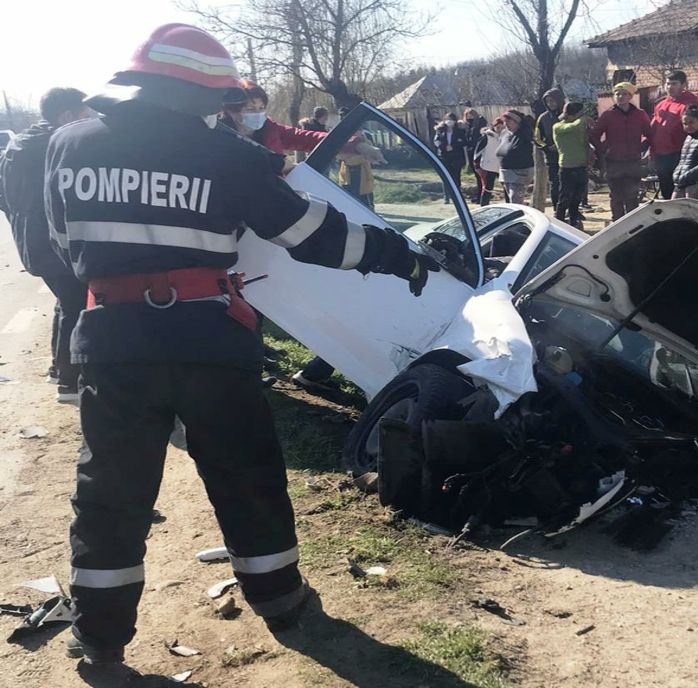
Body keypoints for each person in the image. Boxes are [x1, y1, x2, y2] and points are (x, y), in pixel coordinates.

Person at [45, 23, 437, 669]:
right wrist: (399, 254)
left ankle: (101, 639)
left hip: (112, 340)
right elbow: (314, 236)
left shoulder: (69, 143)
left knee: (110, 491)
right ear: (201, 95)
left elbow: (64, 241)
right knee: (246, 474)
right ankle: (280, 600)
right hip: (207, 335)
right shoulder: (226, 155)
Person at [0, 88, 91, 403]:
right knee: (74, 304)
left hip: (30, 240)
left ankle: (57, 368)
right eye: (84, 113)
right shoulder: (57, 146)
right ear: (66, 115)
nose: (88, 120)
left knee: (64, 302)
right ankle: (69, 382)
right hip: (53, 241)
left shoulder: (19, 144)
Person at [221, 80, 327, 168]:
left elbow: (303, 138)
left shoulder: (271, 129)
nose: (258, 113)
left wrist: (337, 140)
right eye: (250, 109)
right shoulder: (220, 136)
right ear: (232, 111)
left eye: (261, 108)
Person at [590, 82, 651, 220]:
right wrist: (603, 149)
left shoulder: (640, 115)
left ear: (630, 96)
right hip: (613, 162)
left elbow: (649, 134)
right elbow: (594, 135)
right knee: (616, 196)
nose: (621, 97)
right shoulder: (607, 115)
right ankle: (617, 222)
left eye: (624, 94)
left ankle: (632, 224)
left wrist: (643, 147)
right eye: (618, 94)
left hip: (633, 161)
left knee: (632, 196)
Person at [650, 70, 698, 200]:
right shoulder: (661, 104)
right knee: (666, 191)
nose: (670, 87)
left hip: (679, 154)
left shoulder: (690, 104)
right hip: (661, 154)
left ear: (683, 85)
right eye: (668, 84)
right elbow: (653, 127)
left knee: (679, 191)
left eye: (674, 83)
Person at [552, 102, 591, 229]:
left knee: (577, 198)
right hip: (567, 168)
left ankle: (574, 222)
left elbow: (585, 142)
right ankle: (559, 222)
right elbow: (573, 127)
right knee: (564, 198)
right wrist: (583, 119)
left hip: (581, 166)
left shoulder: (580, 126)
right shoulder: (558, 127)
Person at [534, 87, 566, 211]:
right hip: (552, 157)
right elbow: (537, 138)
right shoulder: (543, 118)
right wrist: (547, 147)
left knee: (570, 184)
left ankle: (573, 209)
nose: (551, 104)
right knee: (555, 183)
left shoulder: (567, 116)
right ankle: (557, 209)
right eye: (548, 101)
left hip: (569, 155)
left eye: (553, 101)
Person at [496, 110, 535, 205]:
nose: (506, 124)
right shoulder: (504, 133)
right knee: (510, 200)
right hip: (505, 173)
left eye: (509, 121)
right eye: (505, 122)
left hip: (520, 172)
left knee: (515, 199)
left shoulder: (525, 133)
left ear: (517, 122)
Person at [434, 113, 469, 198]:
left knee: (456, 176)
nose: (449, 121)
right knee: (446, 176)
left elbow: (464, 143)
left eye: (451, 119)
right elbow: (436, 141)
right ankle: (446, 196)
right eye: (448, 119)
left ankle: (457, 195)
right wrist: (444, 147)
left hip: (456, 157)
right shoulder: (440, 131)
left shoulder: (459, 131)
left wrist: (453, 146)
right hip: (444, 156)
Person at [473, 118, 505, 206]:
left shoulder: (505, 137)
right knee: (488, 188)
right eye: (498, 127)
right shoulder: (486, 137)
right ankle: (483, 206)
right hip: (488, 166)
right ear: (493, 127)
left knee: (506, 188)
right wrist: (477, 166)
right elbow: (477, 152)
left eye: (502, 127)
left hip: (501, 166)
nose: (500, 129)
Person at [463, 107, 488, 174]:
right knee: (474, 168)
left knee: (479, 168)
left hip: (478, 149)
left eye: (471, 114)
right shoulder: (467, 125)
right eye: (467, 115)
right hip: (470, 150)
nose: (469, 116)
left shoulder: (480, 123)